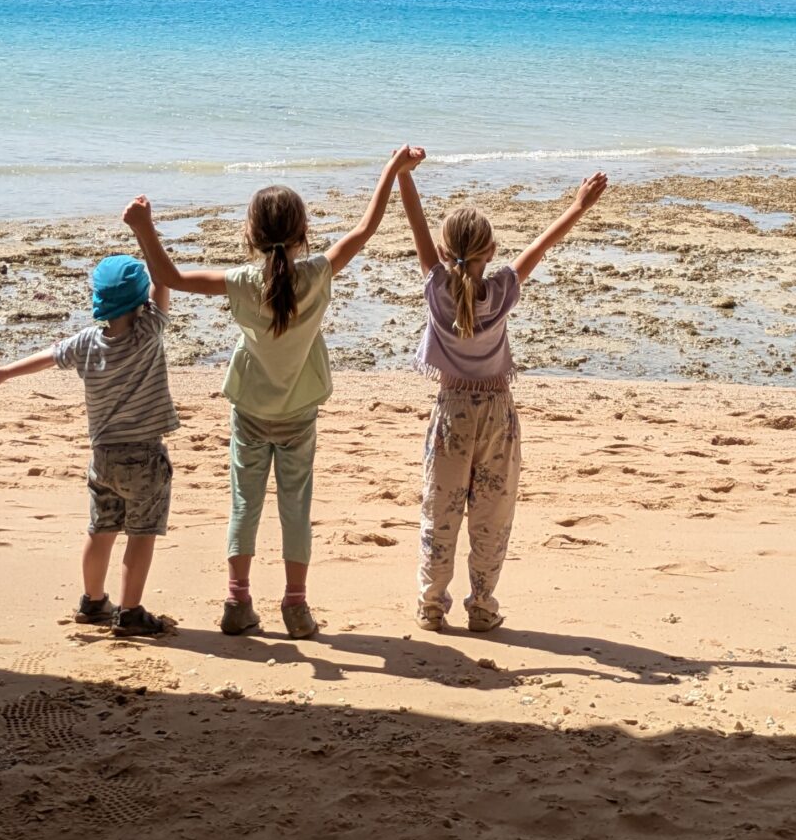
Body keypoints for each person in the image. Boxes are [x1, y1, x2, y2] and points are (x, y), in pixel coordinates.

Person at [125, 147, 419, 640]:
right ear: (303, 234)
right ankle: (296, 606)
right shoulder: (318, 274)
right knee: (295, 505)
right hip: (299, 411)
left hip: (250, 409)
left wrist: (144, 228)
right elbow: (365, 231)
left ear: (250, 235)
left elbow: (169, 278)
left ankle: (238, 601)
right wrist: (392, 170)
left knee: (245, 503)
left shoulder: (241, 281)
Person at [397, 165, 608, 633]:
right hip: (497, 413)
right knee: (492, 514)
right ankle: (483, 605)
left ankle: (432, 606)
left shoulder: (437, 290)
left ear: (445, 250)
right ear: (491, 252)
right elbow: (541, 246)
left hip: (451, 411)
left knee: (441, 509)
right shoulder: (501, 292)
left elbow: (415, 221)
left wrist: (402, 174)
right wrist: (578, 205)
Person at [0, 250, 177, 640]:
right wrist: (146, 233)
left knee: (100, 530)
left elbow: (48, 357)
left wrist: (4, 373)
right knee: (141, 532)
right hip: (144, 456)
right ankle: (130, 611)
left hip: (102, 458)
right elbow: (163, 279)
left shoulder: (87, 342)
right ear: (140, 302)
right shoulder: (147, 331)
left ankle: (93, 601)